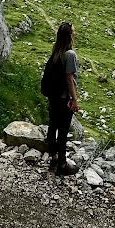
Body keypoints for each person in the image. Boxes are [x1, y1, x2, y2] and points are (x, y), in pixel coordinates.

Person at [46, 21, 80, 176]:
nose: (75, 33)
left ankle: (52, 157)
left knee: (52, 126)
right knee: (63, 131)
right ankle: (62, 164)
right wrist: (74, 99)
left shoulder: (56, 50)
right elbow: (69, 79)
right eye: (73, 31)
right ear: (69, 35)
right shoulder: (70, 55)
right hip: (64, 98)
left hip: (53, 97)